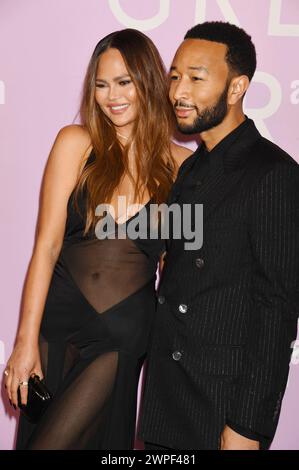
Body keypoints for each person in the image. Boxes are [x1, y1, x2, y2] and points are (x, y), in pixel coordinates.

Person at [3, 28, 192, 450]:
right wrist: (24, 341)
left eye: (124, 82)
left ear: (147, 82)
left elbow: (179, 266)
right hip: (57, 328)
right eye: (102, 84)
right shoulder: (75, 143)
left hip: (121, 337)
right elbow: (46, 247)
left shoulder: (183, 165)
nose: (112, 96)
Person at [138, 21, 299, 450]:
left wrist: (248, 426)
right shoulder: (190, 169)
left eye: (195, 77)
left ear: (236, 87)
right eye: (174, 76)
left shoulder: (273, 173)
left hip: (219, 408)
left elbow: (277, 309)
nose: (177, 92)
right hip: (166, 400)